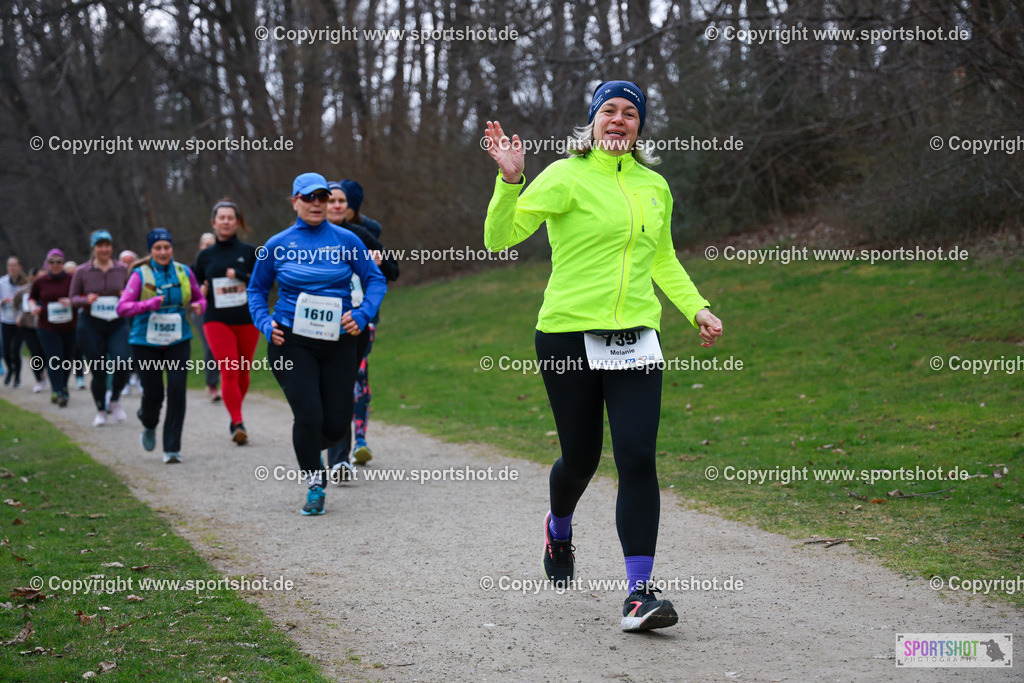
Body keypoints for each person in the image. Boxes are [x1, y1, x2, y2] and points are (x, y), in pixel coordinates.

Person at [482, 81, 724, 632]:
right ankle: (559, 524)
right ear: (591, 122)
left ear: (641, 126)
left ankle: (639, 594)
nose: (619, 120)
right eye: (609, 111)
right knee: (583, 459)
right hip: (567, 336)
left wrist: (696, 309)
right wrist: (510, 180)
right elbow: (501, 238)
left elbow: (662, 259)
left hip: (636, 337)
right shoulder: (566, 175)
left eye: (630, 113)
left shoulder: (654, 185)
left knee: (638, 456)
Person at [248, 172, 386, 515]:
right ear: (294, 201)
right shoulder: (277, 245)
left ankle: (309, 444)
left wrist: (363, 313)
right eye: (308, 198)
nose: (316, 204)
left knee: (336, 424)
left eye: (322, 198)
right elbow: (256, 291)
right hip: (291, 341)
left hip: (339, 339)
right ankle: (314, 483)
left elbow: (375, 279)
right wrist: (265, 323)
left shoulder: (347, 239)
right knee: (308, 415)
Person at [324, 181, 399, 479]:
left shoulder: (360, 236)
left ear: (349, 206)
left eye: (341, 201)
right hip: (319, 323)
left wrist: (379, 263)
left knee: (353, 376)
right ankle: (332, 440)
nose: (337, 205)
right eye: (331, 201)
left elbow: (393, 270)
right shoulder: (310, 238)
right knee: (331, 382)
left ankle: (351, 448)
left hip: (359, 320)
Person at [117, 228, 206, 463]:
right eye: (158, 248)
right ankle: (148, 422)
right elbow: (122, 307)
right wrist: (148, 304)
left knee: (177, 390)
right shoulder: (139, 275)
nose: (163, 252)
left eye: (167, 247)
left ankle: (172, 447)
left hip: (178, 339)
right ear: (151, 251)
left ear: (172, 249)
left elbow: (199, 297)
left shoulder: (184, 271)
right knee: (154, 393)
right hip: (145, 342)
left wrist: (200, 306)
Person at [192, 199, 259, 444]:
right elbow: (195, 286)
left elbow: (264, 283)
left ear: (237, 222)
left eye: (231, 217)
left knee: (243, 374)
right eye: (222, 217)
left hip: (247, 319)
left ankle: (235, 415)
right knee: (229, 370)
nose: (226, 221)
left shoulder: (250, 252)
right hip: (216, 320)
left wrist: (240, 275)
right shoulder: (205, 256)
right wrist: (200, 292)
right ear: (214, 222)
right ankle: (238, 422)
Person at [69, 230, 130, 426]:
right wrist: (85, 300)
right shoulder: (82, 271)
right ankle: (100, 410)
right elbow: (73, 298)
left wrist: (125, 295)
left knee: (123, 362)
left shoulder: (122, 269)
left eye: (107, 245)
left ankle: (115, 399)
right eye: (100, 245)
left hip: (117, 323)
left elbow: (132, 292)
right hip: (91, 323)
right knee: (99, 370)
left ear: (111, 247)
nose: (104, 249)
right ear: (94, 248)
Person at [30, 249, 78, 406]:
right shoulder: (41, 281)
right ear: (47, 264)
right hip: (47, 326)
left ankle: (63, 386)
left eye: (59, 262)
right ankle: (58, 391)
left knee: (67, 359)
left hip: (70, 326)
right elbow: (32, 297)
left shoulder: (72, 279)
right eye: (52, 262)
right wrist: (33, 307)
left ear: (63, 263)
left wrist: (71, 300)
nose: (55, 265)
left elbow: (81, 296)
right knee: (54, 358)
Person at [191, 233, 222, 403]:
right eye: (205, 244)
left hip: (223, 311)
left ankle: (230, 381)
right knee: (210, 347)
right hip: (202, 312)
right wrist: (200, 294)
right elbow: (188, 294)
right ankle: (212, 385)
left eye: (212, 244)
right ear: (200, 247)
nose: (209, 247)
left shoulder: (221, 265)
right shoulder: (193, 269)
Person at [13, 268, 46, 392]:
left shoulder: (48, 290)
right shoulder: (23, 290)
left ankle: (44, 373)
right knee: (34, 353)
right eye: (40, 276)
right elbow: (14, 304)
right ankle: (39, 379)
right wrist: (17, 316)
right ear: (32, 276)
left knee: (44, 353)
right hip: (28, 325)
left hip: (44, 325)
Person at [1, 256, 29, 387]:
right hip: (6, 320)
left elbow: (28, 302)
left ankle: (17, 375)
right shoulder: (2, 282)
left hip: (19, 321)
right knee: (6, 350)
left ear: (19, 267)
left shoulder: (25, 283)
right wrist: (3, 302)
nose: (12, 268)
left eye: (14, 265)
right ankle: (10, 370)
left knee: (16, 349)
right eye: (9, 265)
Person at [118, 250, 141, 394]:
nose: (127, 265)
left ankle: (139, 378)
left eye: (130, 261)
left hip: (137, 316)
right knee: (122, 350)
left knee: (138, 348)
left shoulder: (140, 275)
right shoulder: (115, 276)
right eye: (124, 262)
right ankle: (124, 381)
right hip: (120, 318)